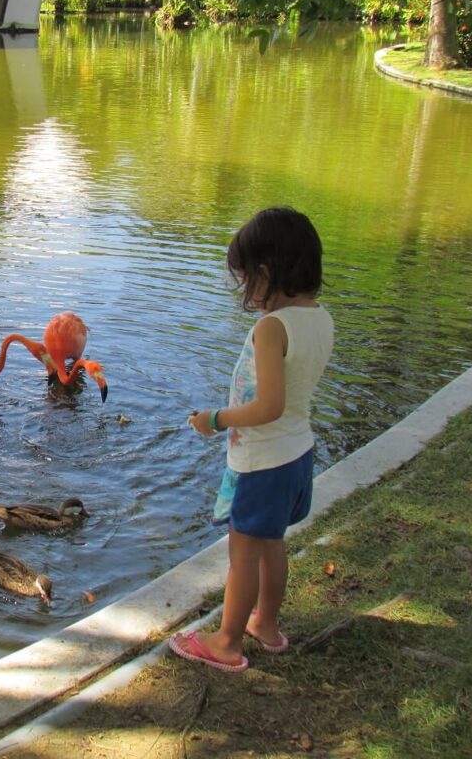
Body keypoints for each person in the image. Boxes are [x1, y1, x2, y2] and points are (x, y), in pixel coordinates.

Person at [169, 206, 334, 672]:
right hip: (298, 453)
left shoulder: (272, 328)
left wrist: (215, 419)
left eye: (246, 280)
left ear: (266, 272)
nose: (245, 292)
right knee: (271, 543)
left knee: (242, 554)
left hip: (266, 461)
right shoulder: (319, 318)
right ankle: (266, 625)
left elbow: (268, 407)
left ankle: (225, 643)